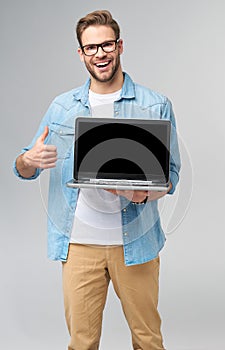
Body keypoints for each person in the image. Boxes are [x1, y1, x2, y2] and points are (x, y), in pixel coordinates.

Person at [13, 9, 181, 350]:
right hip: (78, 247)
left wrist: (137, 195)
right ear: (81, 53)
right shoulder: (62, 107)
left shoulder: (154, 105)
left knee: (148, 340)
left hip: (135, 245)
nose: (99, 54)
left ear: (119, 46)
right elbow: (23, 167)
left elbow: (171, 176)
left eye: (106, 45)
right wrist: (28, 160)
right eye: (91, 48)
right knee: (82, 342)